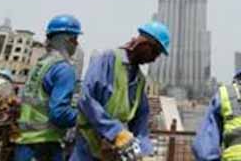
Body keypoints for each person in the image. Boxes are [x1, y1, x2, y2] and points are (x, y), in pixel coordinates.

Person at [71, 21, 170, 161]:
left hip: (114, 151)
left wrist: (143, 148)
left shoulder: (139, 79)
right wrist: (115, 131)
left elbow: (141, 116)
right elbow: (86, 99)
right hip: (88, 146)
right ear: (143, 43)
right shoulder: (107, 59)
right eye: (155, 51)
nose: (154, 58)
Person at [14, 14, 82, 161]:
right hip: (45, 146)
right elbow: (59, 114)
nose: (76, 44)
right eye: (75, 39)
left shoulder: (40, 65)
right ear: (66, 40)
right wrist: (85, 117)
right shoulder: (63, 69)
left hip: (25, 144)